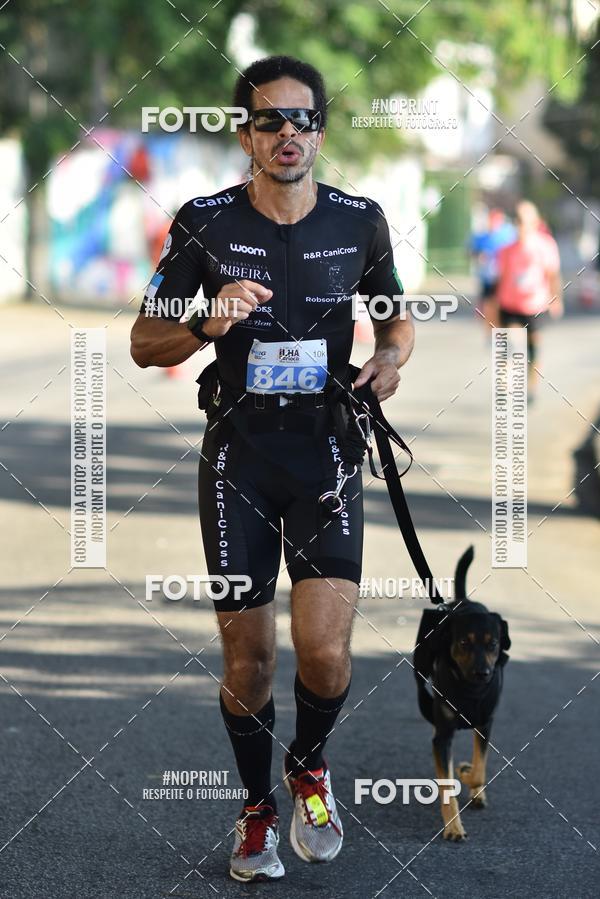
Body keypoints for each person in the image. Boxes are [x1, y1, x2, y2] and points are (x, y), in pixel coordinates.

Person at [130, 55, 414, 882]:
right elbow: (146, 342)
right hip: (239, 461)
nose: (287, 135)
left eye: (302, 120)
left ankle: (310, 766)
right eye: (268, 122)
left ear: (321, 129)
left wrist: (390, 360)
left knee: (324, 655)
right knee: (248, 661)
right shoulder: (204, 221)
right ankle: (256, 810)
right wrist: (207, 322)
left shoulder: (360, 219)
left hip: (326, 449)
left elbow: (395, 320)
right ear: (245, 134)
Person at [495, 200, 563, 402]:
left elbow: (552, 275)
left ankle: (531, 387)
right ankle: (506, 385)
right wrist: (495, 303)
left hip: (535, 306)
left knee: (533, 349)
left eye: (524, 221)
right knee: (511, 344)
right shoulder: (506, 249)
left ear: (535, 222)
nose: (520, 225)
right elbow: (501, 277)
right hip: (510, 304)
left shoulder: (545, 245)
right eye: (517, 221)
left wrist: (556, 299)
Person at [470, 207, 516, 325]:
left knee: (501, 307)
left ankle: (501, 336)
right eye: (491, 220)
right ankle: (491, 334)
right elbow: (471, 252)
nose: (493, 223)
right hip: (487, 277)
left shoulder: (508, 234)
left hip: (504, 277)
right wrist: (479, 255)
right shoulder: (481, 237)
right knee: (489, 306)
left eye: (496, 220)